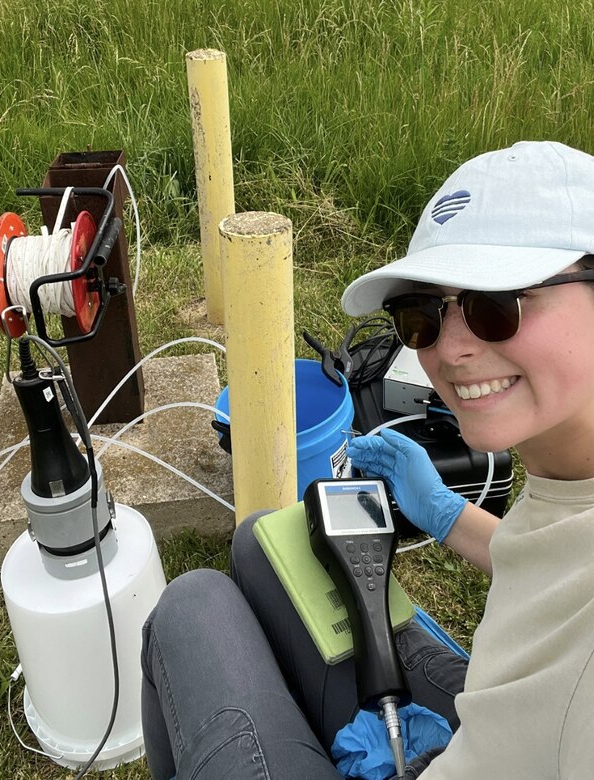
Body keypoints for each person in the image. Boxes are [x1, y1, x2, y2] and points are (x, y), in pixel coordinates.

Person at [141, 140, 594, 779]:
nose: (452, 349)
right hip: (494, 723)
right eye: (423, 315)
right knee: (258, 543)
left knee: (192, 605)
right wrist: (442, 513)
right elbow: (557, 563)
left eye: (499, 304)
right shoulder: (569, 469)